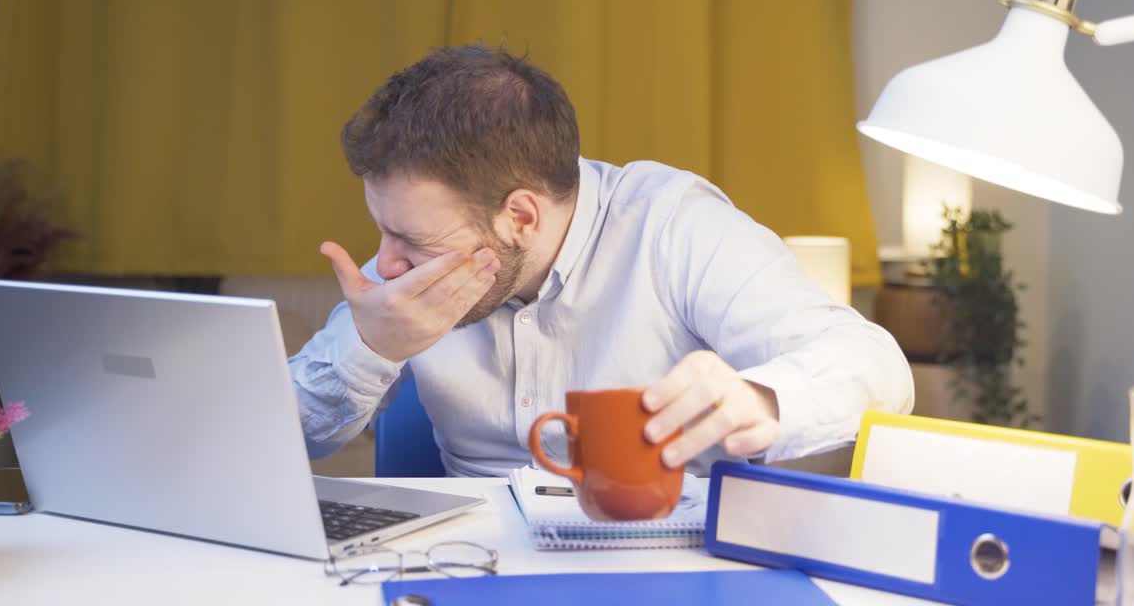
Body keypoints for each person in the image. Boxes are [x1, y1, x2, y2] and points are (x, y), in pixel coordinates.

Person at [291, 45, 912, 477]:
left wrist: (762, 398)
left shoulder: (674, 226)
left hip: (661, 565)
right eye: (383, 231)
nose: (388, 265)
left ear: (522, 217)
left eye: (414, 241)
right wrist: (369, 349)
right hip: (472, 566)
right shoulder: (408, 257)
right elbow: (284, 433)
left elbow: (880, 369)